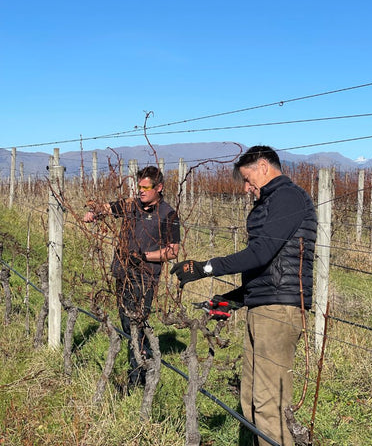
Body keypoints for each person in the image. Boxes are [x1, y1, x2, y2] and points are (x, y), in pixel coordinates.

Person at [170, 146, 317, 446]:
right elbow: (267, 268)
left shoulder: (288, 197)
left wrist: (205, 268)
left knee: (269, 406)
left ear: (264, 167)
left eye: (249, 179)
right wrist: (231, 298)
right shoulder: (270, 201)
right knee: (251, 400)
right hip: (262, 308)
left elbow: (260, 253)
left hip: (277, 314)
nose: (247, 188)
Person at [84, 165, 180, 388]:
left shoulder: (168, 214)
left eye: (147, 187)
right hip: (123, 273)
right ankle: (135, 375)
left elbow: (172, 250)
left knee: (138, 325)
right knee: (127, 324)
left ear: (159, 187)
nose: (142, 191)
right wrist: (93, 212)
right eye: (139, 187)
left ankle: (138, 380)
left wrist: (145, 256)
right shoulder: (131, 205)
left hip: (146, 278)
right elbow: (106, 208)